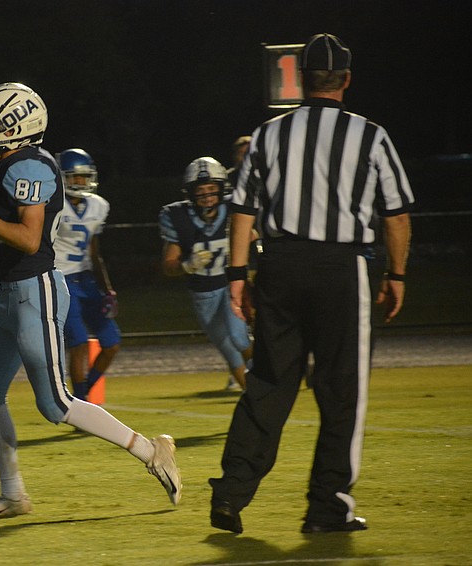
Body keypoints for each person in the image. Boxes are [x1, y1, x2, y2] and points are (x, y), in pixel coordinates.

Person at [0, 82, 181, 519]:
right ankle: (13, 494)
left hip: (35, 290)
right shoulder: (0, 165)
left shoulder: (32, 167)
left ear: (15, 125)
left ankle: (151, 450)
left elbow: (27, 239)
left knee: (55, 404)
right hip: (8, 292)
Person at [209, 33, 414, 534]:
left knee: (269, 383)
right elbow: (397, 215)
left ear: (299, 78)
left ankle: (232, 493)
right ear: (345, 79)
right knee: (342, 391)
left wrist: (238, 276)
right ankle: (327, 506)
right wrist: (397, 274)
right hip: (342, 269)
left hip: (279, 266)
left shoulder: (268, 134)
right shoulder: (370, 135)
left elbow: (242, 211)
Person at [158, 157, 253, 391]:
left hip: (231, 284)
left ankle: (268, 375)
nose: (207, 195)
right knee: (229, 350)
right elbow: (168, 265)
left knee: (239, 337)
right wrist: (186, 266)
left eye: (212, 189)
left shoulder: (234, 209)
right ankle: (254, 398)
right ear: (191, 192)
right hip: (203, 292)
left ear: (222, 188)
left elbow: (255, 235)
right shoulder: (176, 215)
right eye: (201, 190)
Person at [53, 148, 120, 401]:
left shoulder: (99, 206)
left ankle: (83, 396)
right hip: (60, 279)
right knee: (78, 342)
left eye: (83, 177)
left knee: (112, 343)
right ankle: (81, 403)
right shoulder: (53, 205)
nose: (80, 182)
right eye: (74, 177)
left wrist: (108, 289)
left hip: (87, 281)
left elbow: (94, 252)